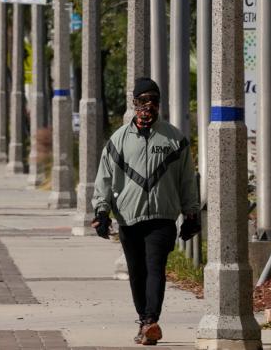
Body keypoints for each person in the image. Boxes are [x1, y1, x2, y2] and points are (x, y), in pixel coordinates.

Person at [90, 77, 200, 346]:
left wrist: (192, 213)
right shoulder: (118, 140)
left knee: (156, 268)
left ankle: (151, 320)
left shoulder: (175, 139)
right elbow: (105, 177)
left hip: (162, 217)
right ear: (134, 103)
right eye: (142, 101)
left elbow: (187, 179)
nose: (148, 107)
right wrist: (101, 211)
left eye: (153, 101)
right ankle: (144, 320)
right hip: (129, 217)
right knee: (137, 272)